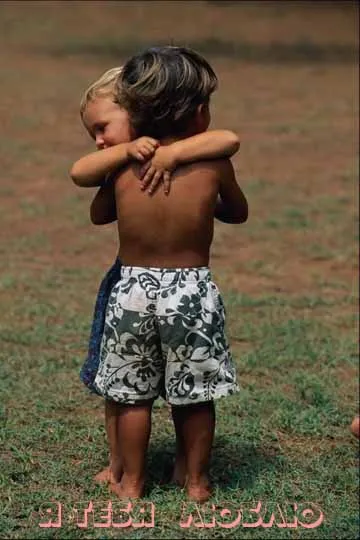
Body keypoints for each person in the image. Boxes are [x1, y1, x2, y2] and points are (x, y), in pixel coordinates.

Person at [89, 45, 248, 502]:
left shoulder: (122, 163)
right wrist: (205, 203)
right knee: (195, 394)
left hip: (133, 288)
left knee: (132, 394)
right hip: (191, 290)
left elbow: (101, 215)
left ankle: (131, 484)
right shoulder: (214, 162)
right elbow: (237, 213)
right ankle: (196, 483)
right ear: (199, 113)